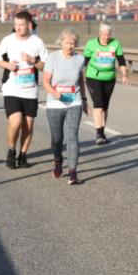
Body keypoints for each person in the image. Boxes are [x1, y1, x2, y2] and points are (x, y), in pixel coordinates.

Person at [0, 11, 48, 169]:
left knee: (28, 125)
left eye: (21, 25)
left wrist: (32, 60)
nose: (18, 28)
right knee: (16, 120)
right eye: (16, 25)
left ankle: (23, 155)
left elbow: (45, 66)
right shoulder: (8, 40)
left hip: (30, 89)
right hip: (12, 87)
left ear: (29, 25)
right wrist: (8, 65)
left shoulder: (37, 42)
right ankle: (11, 150)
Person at [43, 29, 88, 184]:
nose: (69, 46)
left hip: (74, 102)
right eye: (67, 43)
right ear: (61, 42)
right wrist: (54, 93)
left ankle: (73, 172)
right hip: (55, 103)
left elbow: (81, 80)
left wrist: (84, 99)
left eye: (72, 44)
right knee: (57, 138)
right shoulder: (52, 57)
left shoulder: (80, 59)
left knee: (72, 136)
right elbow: (46, 82)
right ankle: (57, 161)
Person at [81, 23, 129, 145]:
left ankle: (102, 131)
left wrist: (124, 75)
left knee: (105, 106)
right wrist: (80, 75)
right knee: (98, 104)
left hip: (109, 78)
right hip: (93, 77)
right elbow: (84, 61)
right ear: (100, 33)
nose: (106, 37)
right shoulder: (91, 44)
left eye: (108, 35)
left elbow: (121, 60)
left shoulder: (115, 43)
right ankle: (98, 133)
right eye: (104, 34)